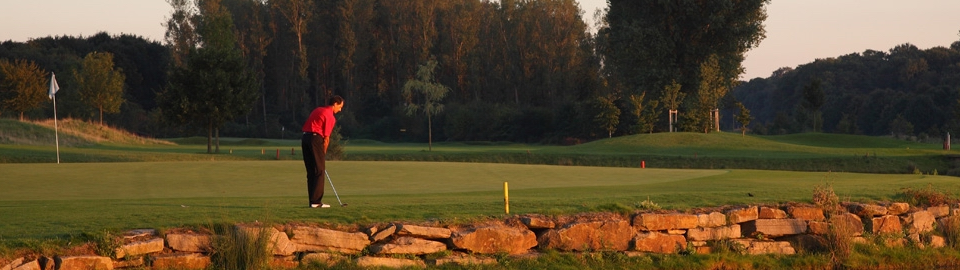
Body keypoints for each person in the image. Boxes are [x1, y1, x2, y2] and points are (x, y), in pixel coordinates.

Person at [301, 95, 344, 208]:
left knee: (311, 171)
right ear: (335, 104)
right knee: (320, 171)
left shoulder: (318, 110)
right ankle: (316, 202)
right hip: (316, 139)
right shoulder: (330, 116)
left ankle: (312, 201)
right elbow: (326, 138)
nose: (340, 109)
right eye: (340, 106)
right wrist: (322, 153)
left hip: (305, 138)